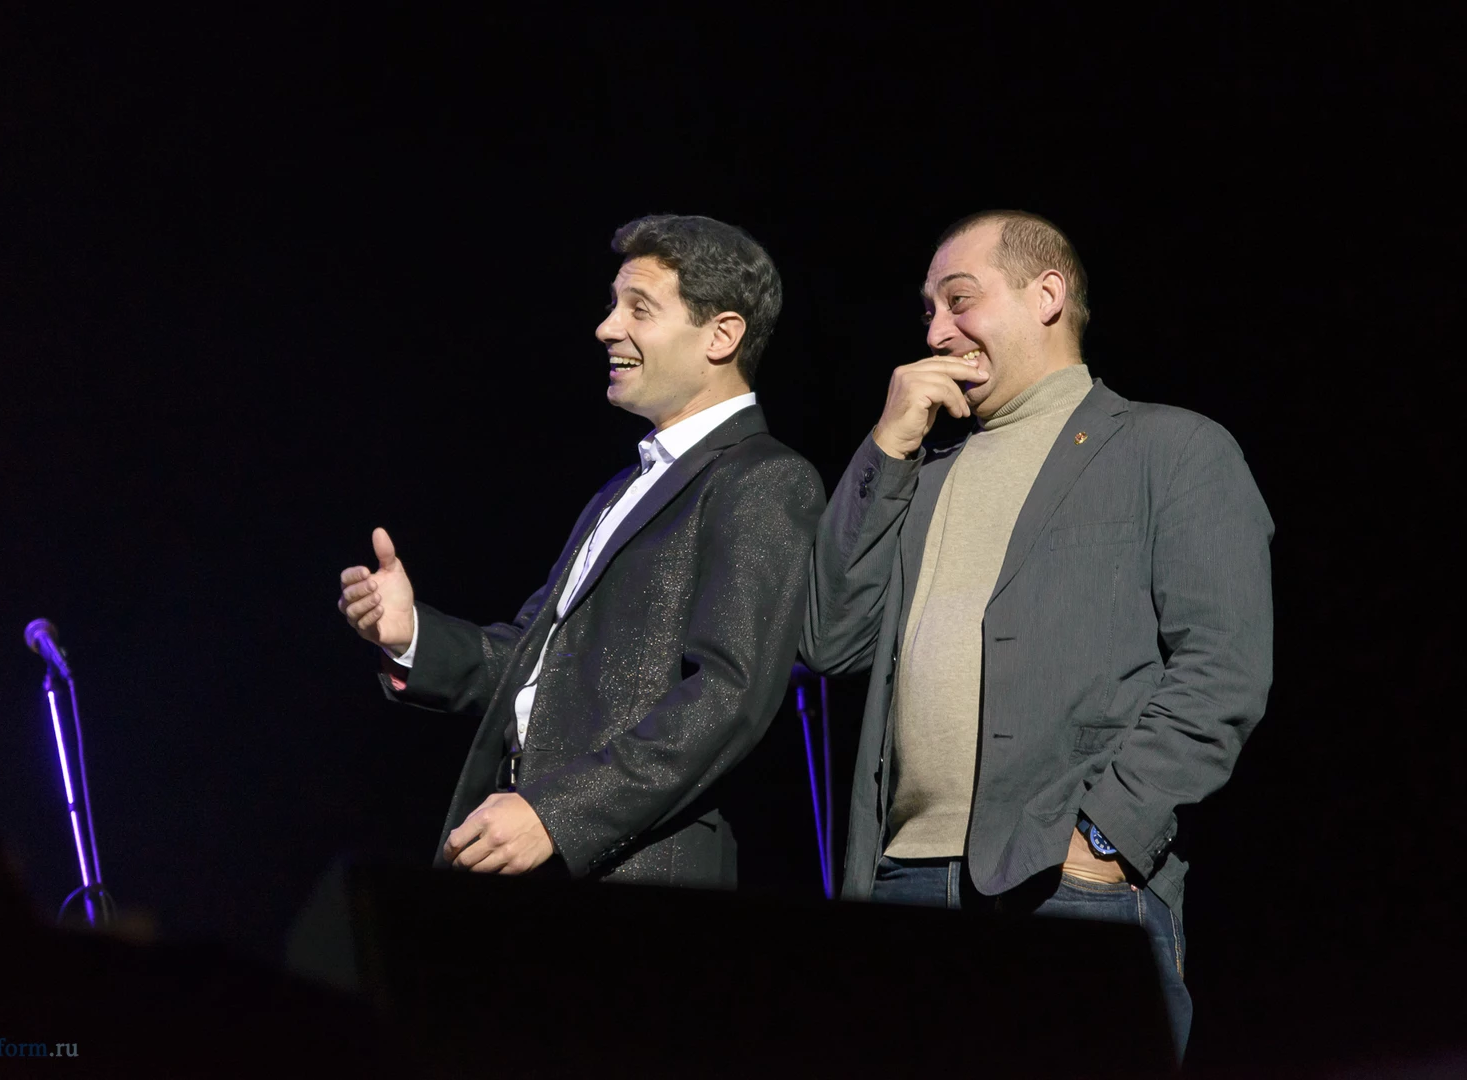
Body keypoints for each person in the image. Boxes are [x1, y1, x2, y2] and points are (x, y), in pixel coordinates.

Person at [800, 210, 1273, 1058]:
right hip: (900, 880)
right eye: (927, 312)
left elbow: (1221, 669)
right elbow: (829, 641)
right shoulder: (921, 473)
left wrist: (1102, 836)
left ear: (1045, 294)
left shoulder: (1170, 448)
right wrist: (884, 446)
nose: (935, 333)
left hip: (1064, 884)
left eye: (959, 300)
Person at [339, 214, 824, 887]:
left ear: (721, 335)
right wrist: (411, 635)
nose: (606, 327)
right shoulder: (621, 490)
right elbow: (530, 662)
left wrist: (555, 814)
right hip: (543, 847)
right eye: (612, 305)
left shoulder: (763, 479)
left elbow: (727, 697)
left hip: (638, 866)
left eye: (639, 308)